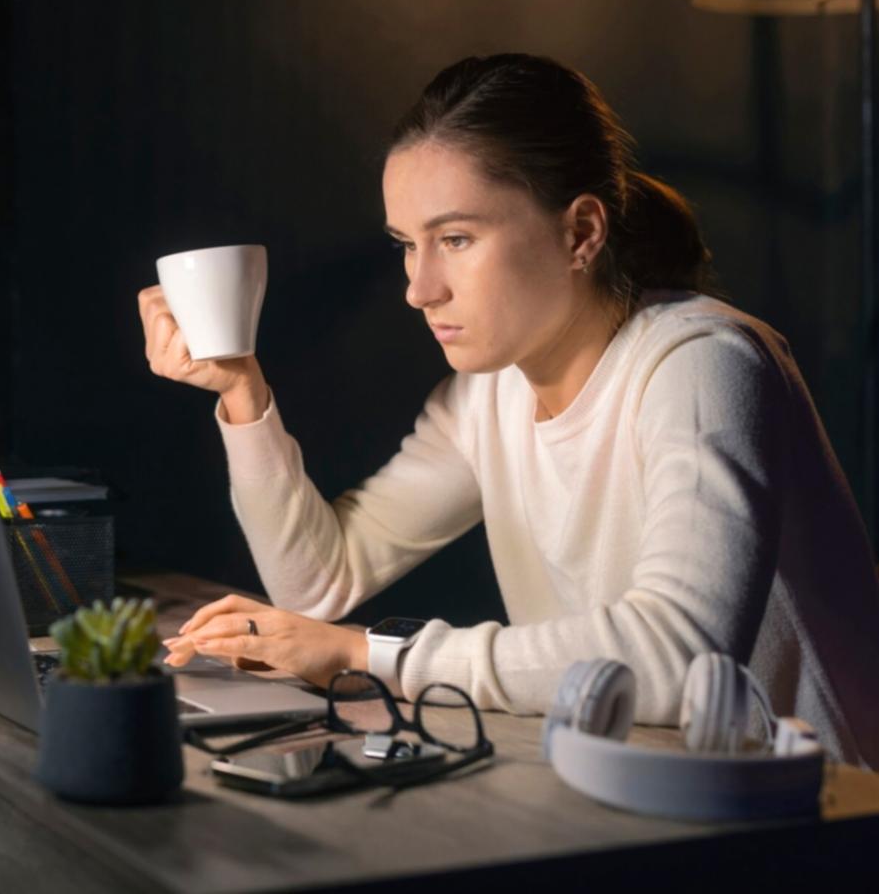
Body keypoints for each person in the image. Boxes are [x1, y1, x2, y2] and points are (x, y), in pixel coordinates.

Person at [138, 53, 879, 770]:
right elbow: (318, 581)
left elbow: (676, 656)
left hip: (815, 821)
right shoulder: (486, 395)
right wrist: (242, 392)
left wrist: (369, 653)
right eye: (407, 244)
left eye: (455, 238)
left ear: (580, 231)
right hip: (643, 794)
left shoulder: (701, 361)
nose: (418, 288)